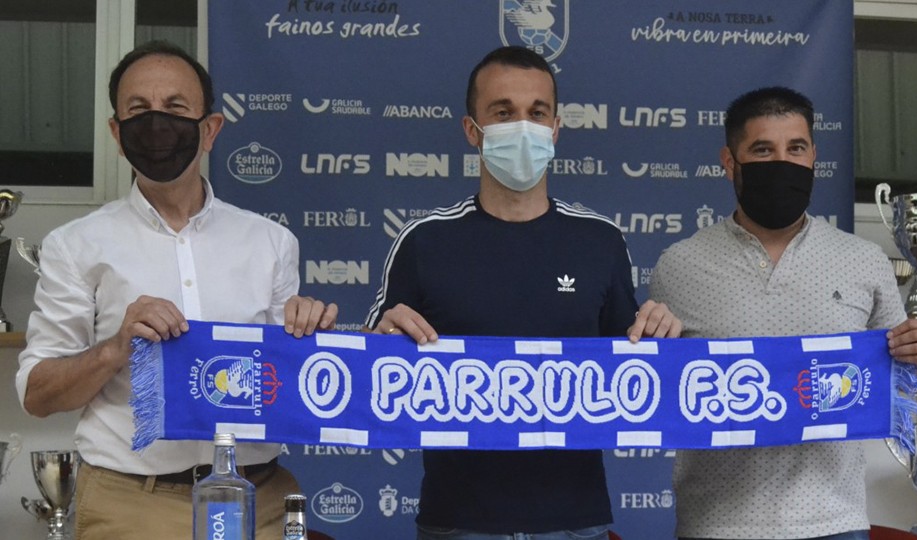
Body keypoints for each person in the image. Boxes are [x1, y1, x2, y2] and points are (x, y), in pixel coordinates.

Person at [15, 40, 338, 540]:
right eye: (138, 110)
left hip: (259, 499)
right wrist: (115, 349)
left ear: (209, 129)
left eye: (175, 108)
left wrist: (311, 336)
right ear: (117, 135)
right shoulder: (75, 246)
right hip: (130, 504)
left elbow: (288, 389)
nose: (157, 124)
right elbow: (38, 396)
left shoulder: (271, 242)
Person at [363, 45, 682, 540]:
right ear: (473, 131)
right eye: (503, 112)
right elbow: (371, 375)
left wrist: (660, 336)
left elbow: (634, 373)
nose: (523, 126)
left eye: (537, 113)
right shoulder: (423, 241)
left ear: (555, 129)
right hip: (457, 522)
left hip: (577, 520)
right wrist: (378, 342)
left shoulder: (600, 240)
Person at [649, 86, 917, 540]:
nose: (782, 162)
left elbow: (898, 385)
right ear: (729, 162)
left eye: (796, 148)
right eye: (763, 150)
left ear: (813, 159)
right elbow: (660, 391)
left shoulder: (863, 260)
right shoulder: (679, 265)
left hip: (834, 522)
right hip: (715, 524)